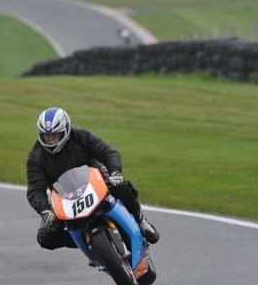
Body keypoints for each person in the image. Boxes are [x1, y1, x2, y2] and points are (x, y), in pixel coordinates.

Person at [26, 107, 160, 251]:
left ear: (66, 130)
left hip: (95, 182)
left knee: (122, 187)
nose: (51, 140)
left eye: (55, 136)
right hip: (64, 198)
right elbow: (35, 189)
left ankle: (141, 220)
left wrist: (115, 173)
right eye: (46, 136)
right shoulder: (36, 158)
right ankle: (89, 244)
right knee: (45, 237)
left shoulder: (81, 137)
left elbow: (108, 153)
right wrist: (45, 210)